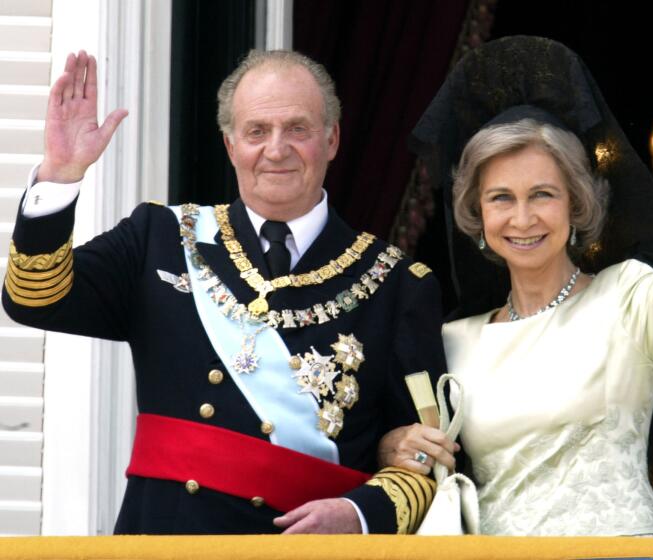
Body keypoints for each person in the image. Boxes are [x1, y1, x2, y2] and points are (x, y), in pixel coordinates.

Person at [378, 35, 653, 536]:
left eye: (543, 194)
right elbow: (402, 449)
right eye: (501, 198)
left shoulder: (629, 302)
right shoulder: (452, 343)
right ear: (477, 214)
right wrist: (391, 447)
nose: (523, 217)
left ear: (576, 205)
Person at [2, 49, 446, 535]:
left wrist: (360, 515)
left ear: (332, 139)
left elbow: (425, 455)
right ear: (231, 145)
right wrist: (60, 175)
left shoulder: (398, 285)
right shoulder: (161, 238)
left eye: (297, 129)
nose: (276, 150)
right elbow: (35, 297)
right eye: (256, 131)